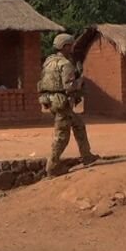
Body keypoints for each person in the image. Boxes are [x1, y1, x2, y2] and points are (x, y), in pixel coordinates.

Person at [37, 33, 99, 176]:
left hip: (51, 100)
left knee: (79, 125)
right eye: (70, 45)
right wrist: (80, 82)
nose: (72, 47)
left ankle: (87, 156)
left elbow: (44, 82)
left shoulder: (49, 62)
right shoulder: (66, 64)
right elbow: (69, 87)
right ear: (64, 46)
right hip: (62, 103)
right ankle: (52, 166)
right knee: (62, 136)